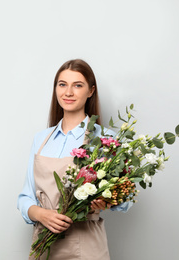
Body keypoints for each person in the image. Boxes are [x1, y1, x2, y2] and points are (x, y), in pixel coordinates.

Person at [17, 59, 132, 260]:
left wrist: (104, 201)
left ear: (90, 91)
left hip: (87, 246)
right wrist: (42, 215)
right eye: (62, 84)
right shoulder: (41, 139)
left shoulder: (105, 140)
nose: (68, 92)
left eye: (77, 85)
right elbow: (25, 198)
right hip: (44, 243)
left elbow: (126, 199)